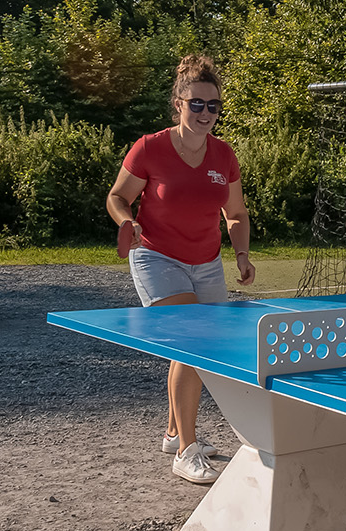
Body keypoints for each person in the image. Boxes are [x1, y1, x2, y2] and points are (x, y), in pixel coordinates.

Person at [105, 55, 259, 484]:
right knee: (192, 340)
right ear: (179, 103)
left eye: (213, 106)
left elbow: (236, 214)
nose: (205, 114)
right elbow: (117, 196)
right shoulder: (149, 148)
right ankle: (187, 451)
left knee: (203, 350)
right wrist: (127, 221)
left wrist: (241, 254)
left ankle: (174, 433)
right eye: (197, 104)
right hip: (156, 257)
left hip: (207, 262)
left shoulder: (224, 155)